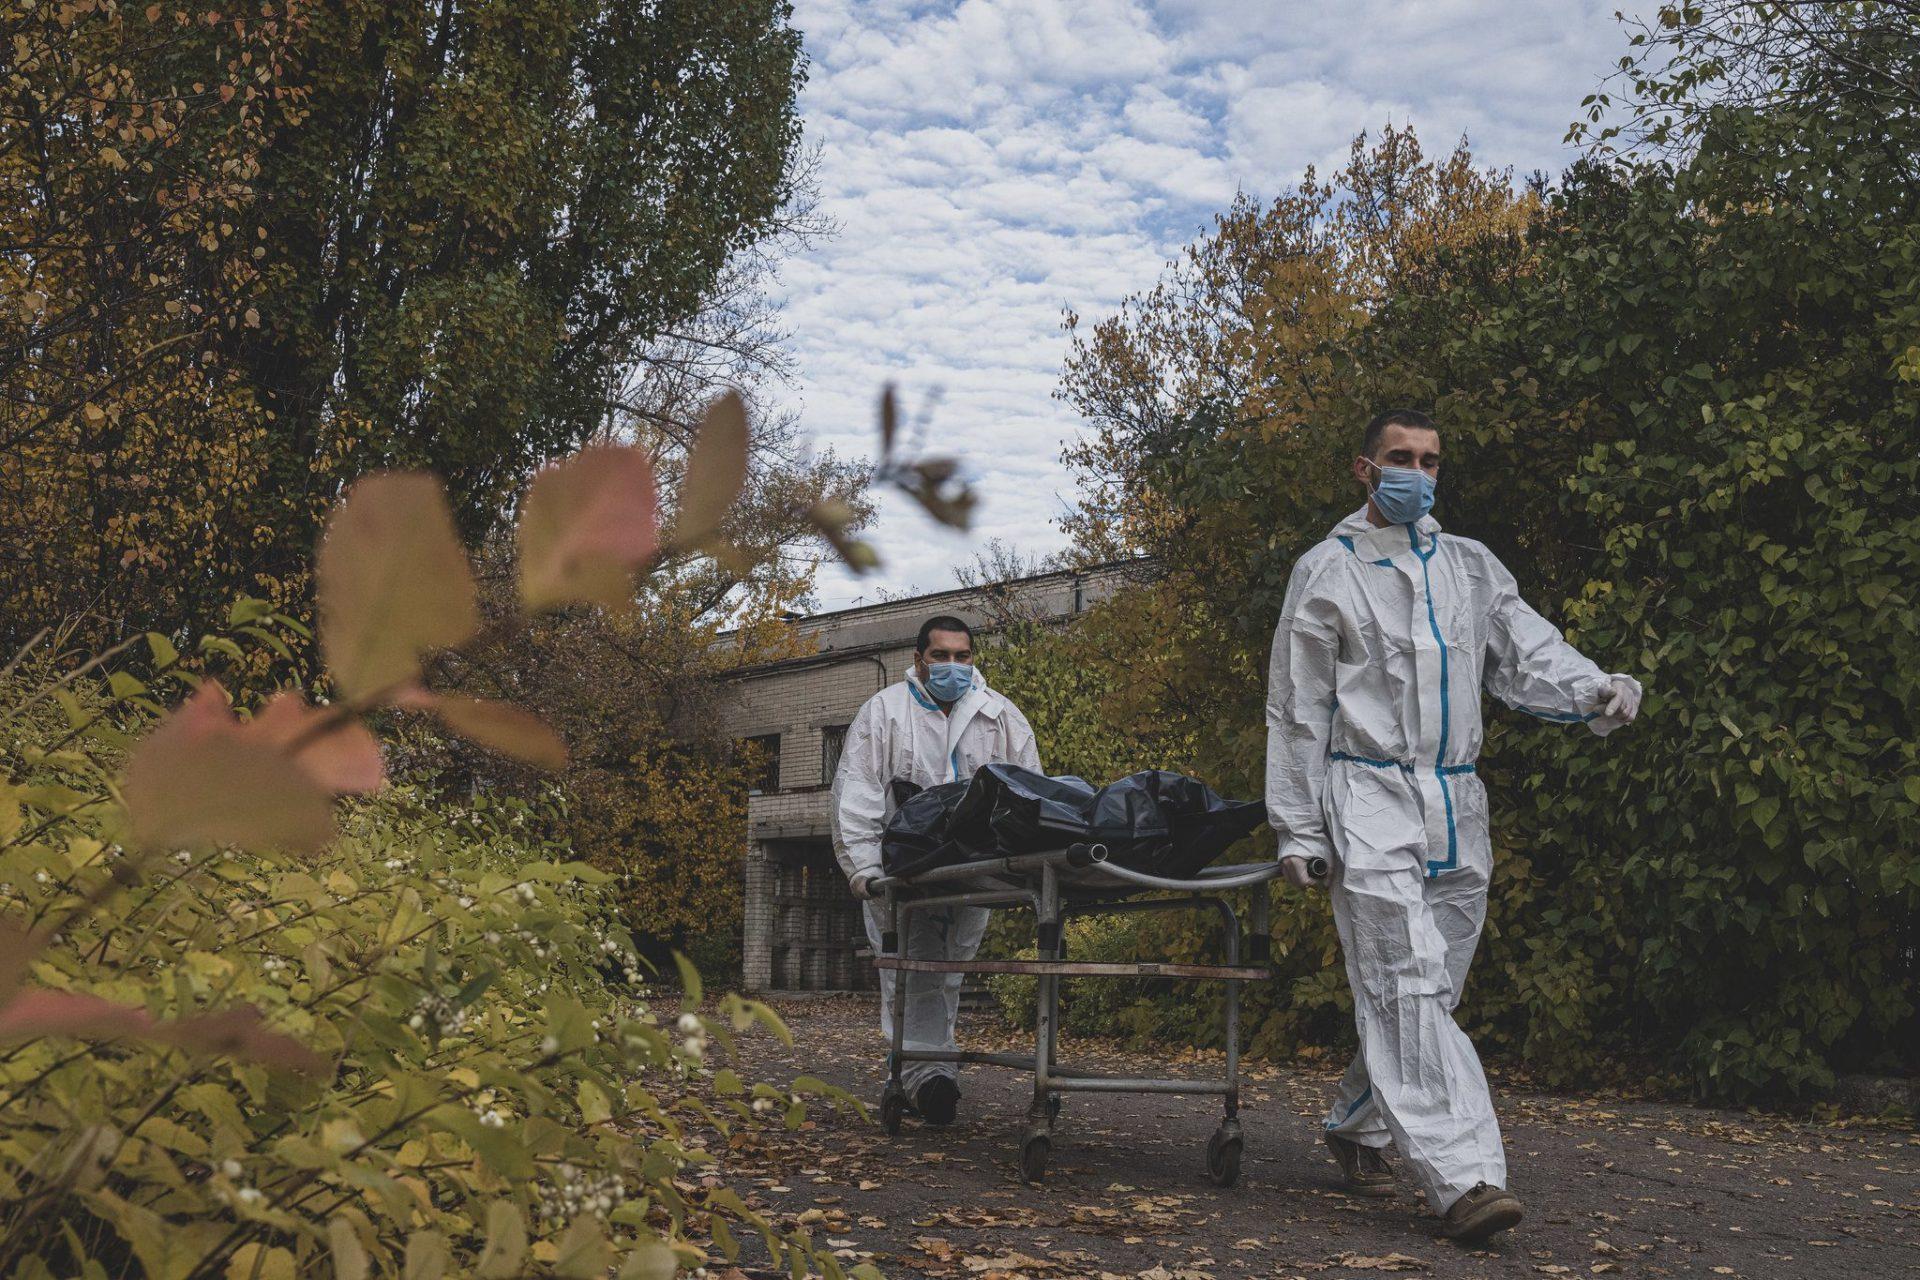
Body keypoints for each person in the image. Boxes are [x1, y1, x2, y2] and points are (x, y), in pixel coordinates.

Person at [1265, 409, 1643, 1243]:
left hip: (1456, 800)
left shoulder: (1469, 565)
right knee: (1403, 978)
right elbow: (1297, 708)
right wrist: (1297, 828)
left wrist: (1593, 687)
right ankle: (1466, 1179)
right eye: (1401, 457)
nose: (1418, 472)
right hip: (1366, 794)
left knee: (1434, 985)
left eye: (1430, 460)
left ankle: (1357, 1119)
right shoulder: (1326, 572)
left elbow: (1526, 649)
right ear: (1365, 468)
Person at [831, 614, 1042, 1126]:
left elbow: (1030, 790)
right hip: (903, 871)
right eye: (941, 655)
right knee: (907, 972)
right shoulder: (886, 713)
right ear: (919, 659)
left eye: (962, 656)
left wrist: (1025, 860)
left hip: (973, 870)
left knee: (947, 973)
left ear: (973, 659)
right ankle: (925, 1077)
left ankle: (926, 1071)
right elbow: (857, 790)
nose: (953, 665)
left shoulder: (1000, 717)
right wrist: (864, 867)